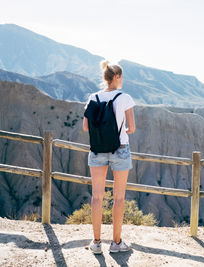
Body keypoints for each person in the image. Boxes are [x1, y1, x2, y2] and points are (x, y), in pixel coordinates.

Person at [83, 60, 136, 254]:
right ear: (116, 77)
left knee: (97, 197)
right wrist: (118, 129)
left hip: (97, 150)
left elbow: (85, 127)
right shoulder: (125, 98)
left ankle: (96, 243)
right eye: (122, 76)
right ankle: (116, 243)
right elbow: (132, 128)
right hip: (120, 149)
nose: (123, 79)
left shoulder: (93, 97)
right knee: (119, 198)